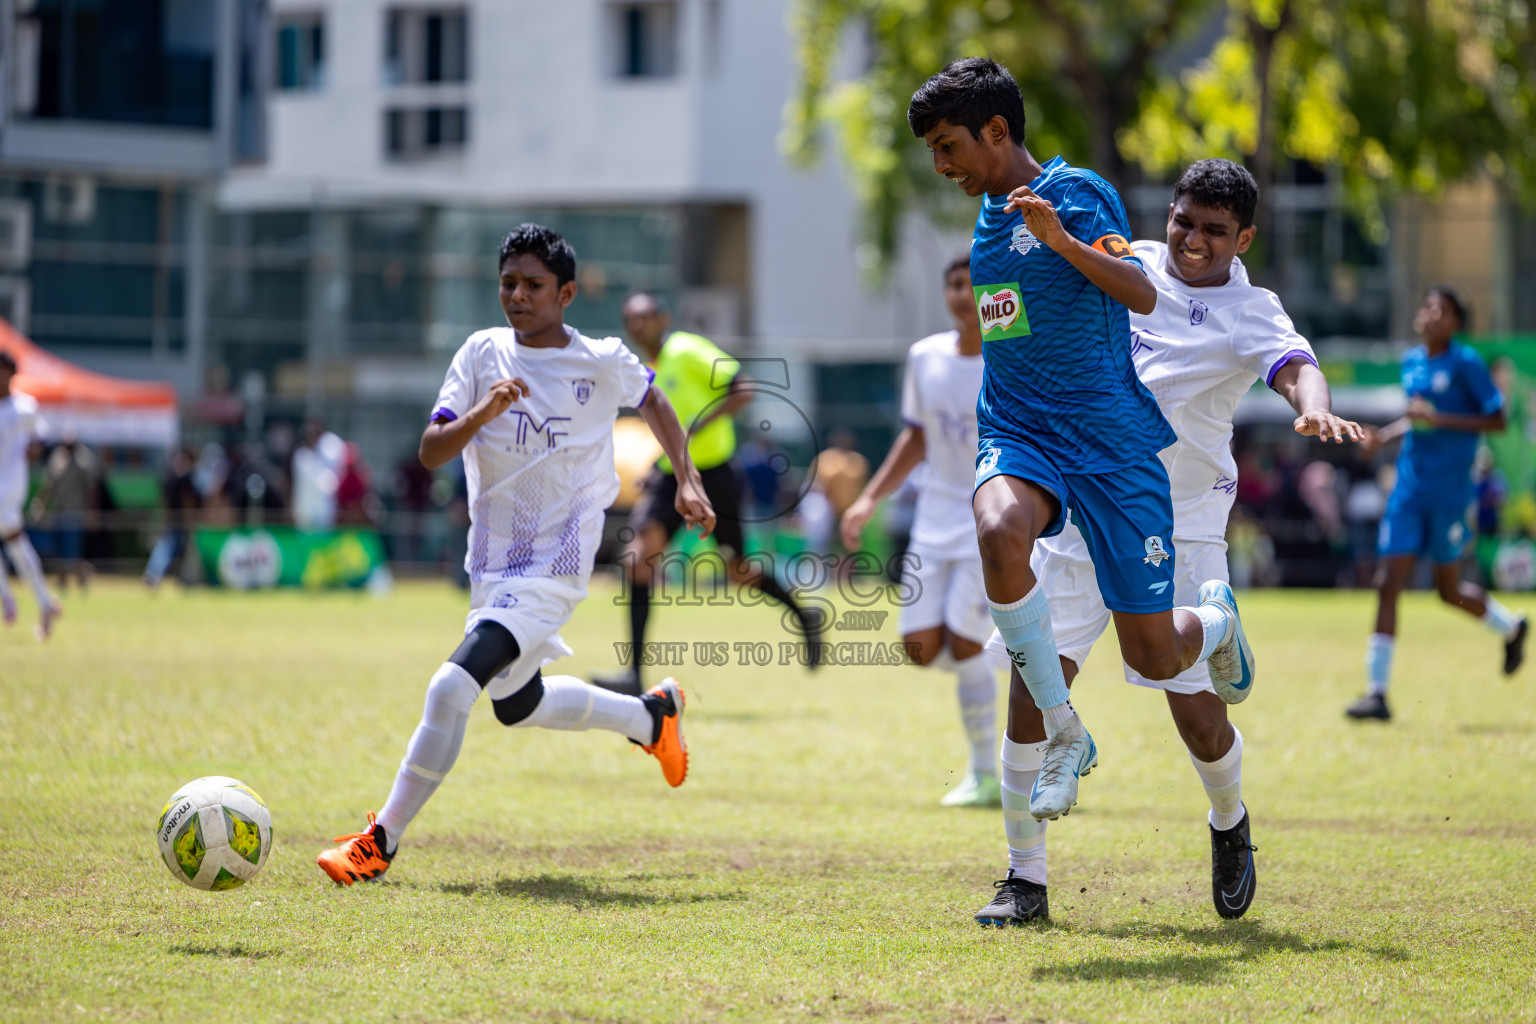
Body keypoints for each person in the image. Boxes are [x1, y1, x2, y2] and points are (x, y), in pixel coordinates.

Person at [982, 158, 1362, 924]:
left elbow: (1296, 368)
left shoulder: (1252, 311)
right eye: (1184, 221)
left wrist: (1314, 409)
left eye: (1214, 231)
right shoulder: (1130, 260)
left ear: (1243, 237)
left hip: (1182, 528)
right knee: (1031, 689)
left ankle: (1229, 822)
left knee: (1193, 713)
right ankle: (1025, 882)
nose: (1192, 240)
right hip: (1082, 506)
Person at [907, 56, 1255, 857]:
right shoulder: (988, 223)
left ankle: (1212, 624)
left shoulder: (1078, 194)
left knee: (1155, 656)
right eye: (933, 149)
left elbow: (1138, 292)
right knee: (997, 531)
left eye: (949, 145)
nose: (942, 165)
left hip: (1109, 449)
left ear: (998, 131)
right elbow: (1012, 336)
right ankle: (1049, 789)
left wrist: (1060, 241)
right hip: (1023, 437)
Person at [317, 224, 715, 885]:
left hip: (555, 567)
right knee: (517, 703)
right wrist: (484, 411)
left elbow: (654, 399)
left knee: (451, 687)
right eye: (508, 283)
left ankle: (379, 841)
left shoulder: (599, 357)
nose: (518, 296)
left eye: (533, 286)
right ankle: (650, 717)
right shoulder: (481, 353)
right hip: (492, 565)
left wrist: (689, 477)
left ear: (566, 293)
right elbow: (431, 449)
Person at [594, 291, 822, 696]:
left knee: (739, 573)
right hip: (672, 475)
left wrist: (697, 426)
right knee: (638, 560)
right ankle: (633, 674)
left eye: (644, 316)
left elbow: (743, 390)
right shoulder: (650, 367)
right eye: (630, 318)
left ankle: (803, 616)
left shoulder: (686, 349)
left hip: (716, 476)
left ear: (663, 318)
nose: (637, 325)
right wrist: (657, 466)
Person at [841, 254, 1002, 808]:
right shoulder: (925, 357)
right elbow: (916, 438)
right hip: (933, 519)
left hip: (990, 520)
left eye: (974, 285)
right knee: (918, 645)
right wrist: (867, 499)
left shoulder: (1011, 356)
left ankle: (987, 772)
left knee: (964, 641)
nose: (963, 294)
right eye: (954, 283)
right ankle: (1011, 657)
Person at [1346, 286, 1527, 722]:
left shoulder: (1466, 363)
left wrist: (1440, 419)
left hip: (1451, 493)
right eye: (1426, 306)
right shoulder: (1412, 361)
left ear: (1455, 323)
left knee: (1447, 591)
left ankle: (1512, 627)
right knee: (1389, 581)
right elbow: (1416, 417)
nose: (1428, 313)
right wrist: (1382, 438)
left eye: (1439, 309)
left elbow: (1498, 420)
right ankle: (1377, 693)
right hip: (1410, 488)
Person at [0, 351, 62, 638]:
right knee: (16, 544)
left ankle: (9, 598)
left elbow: (43, 438)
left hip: (10, 486)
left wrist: (34, 449)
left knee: (14, 541)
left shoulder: (24, 407)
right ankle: (42, 601)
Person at [144, 446, 201, 589]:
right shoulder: (184, 478)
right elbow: (187, 501)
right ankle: (161, 575)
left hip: (171, 521)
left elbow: (164, 502)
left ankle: (156, 574)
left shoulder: (170, 477)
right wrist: (190, 523)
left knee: (166, 549)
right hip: (181, 523)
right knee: (171, 550)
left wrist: (164, 520)